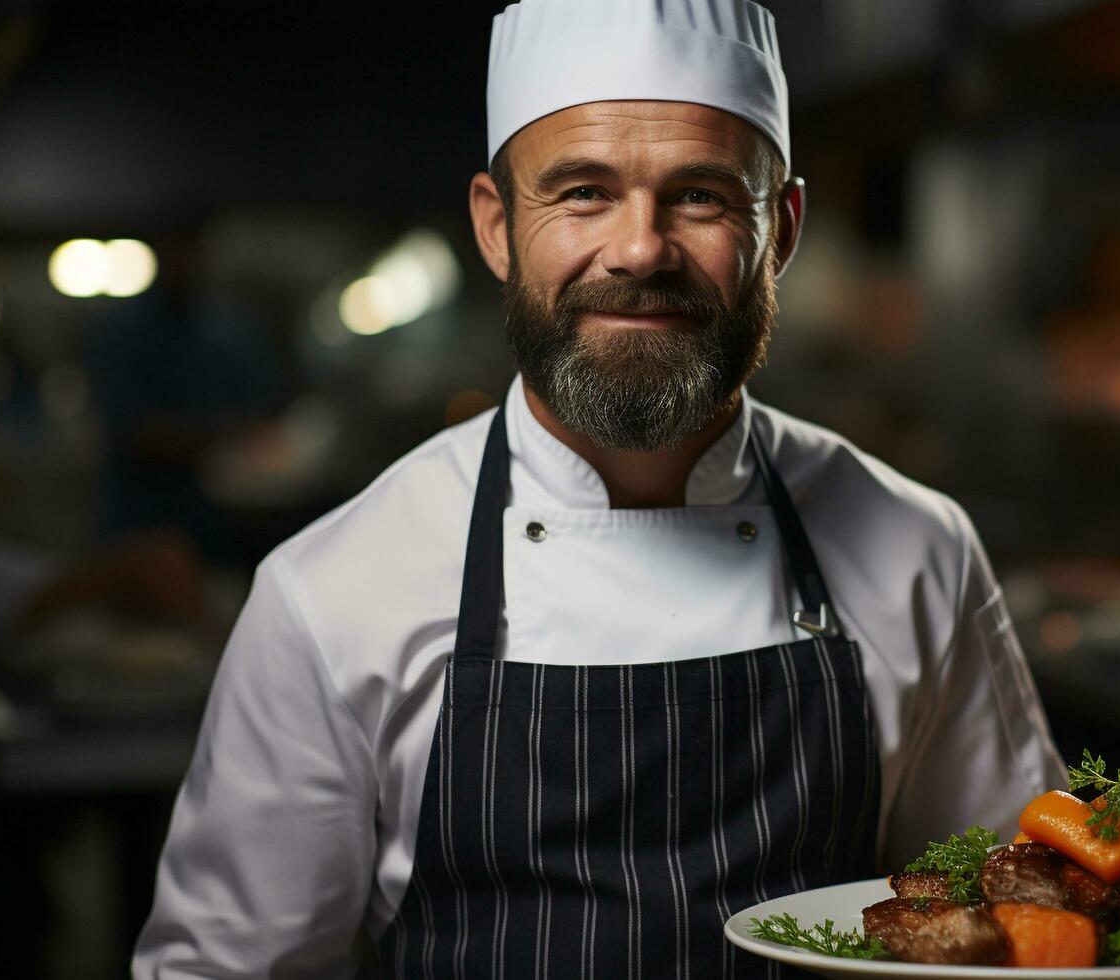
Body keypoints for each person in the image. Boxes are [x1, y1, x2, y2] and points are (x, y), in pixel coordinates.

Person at [134, 1, 1067, 976]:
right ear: (496, 229)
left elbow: (1025, 929)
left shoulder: (919, 550)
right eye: (582, 192)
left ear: (780, 229)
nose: (638, 248)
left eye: (700, 195)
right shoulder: (333, 591)